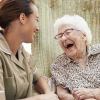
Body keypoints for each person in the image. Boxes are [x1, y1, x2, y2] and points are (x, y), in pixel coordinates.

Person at [0, 0, 59, 100]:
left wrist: (49, 95)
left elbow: (38, 78)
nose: (38, 28)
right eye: (36, 20)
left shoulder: (22, 53)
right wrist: (42, 98)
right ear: (22, 18)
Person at [50, 14, 100, 100]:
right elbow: (62, 94)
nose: (63, 38)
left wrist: (92, 93)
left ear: (84, 36)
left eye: (68, 32)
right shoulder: (58, 65)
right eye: (60, 36)